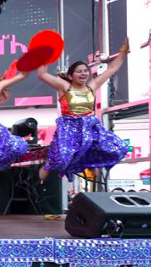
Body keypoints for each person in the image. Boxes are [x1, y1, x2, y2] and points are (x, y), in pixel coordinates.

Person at [36, 38, 130, 181]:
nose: (83, 74)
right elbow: (42, 74)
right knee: (60, 160)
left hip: (89, 128)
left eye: (85, 71)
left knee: (119, 148)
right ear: (70, 75)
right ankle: (44, 173)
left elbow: (112, 69)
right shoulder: (64, 87)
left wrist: (123, 50)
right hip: (69, 129)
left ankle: (91, 166)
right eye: (79, 72)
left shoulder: (91, 87)